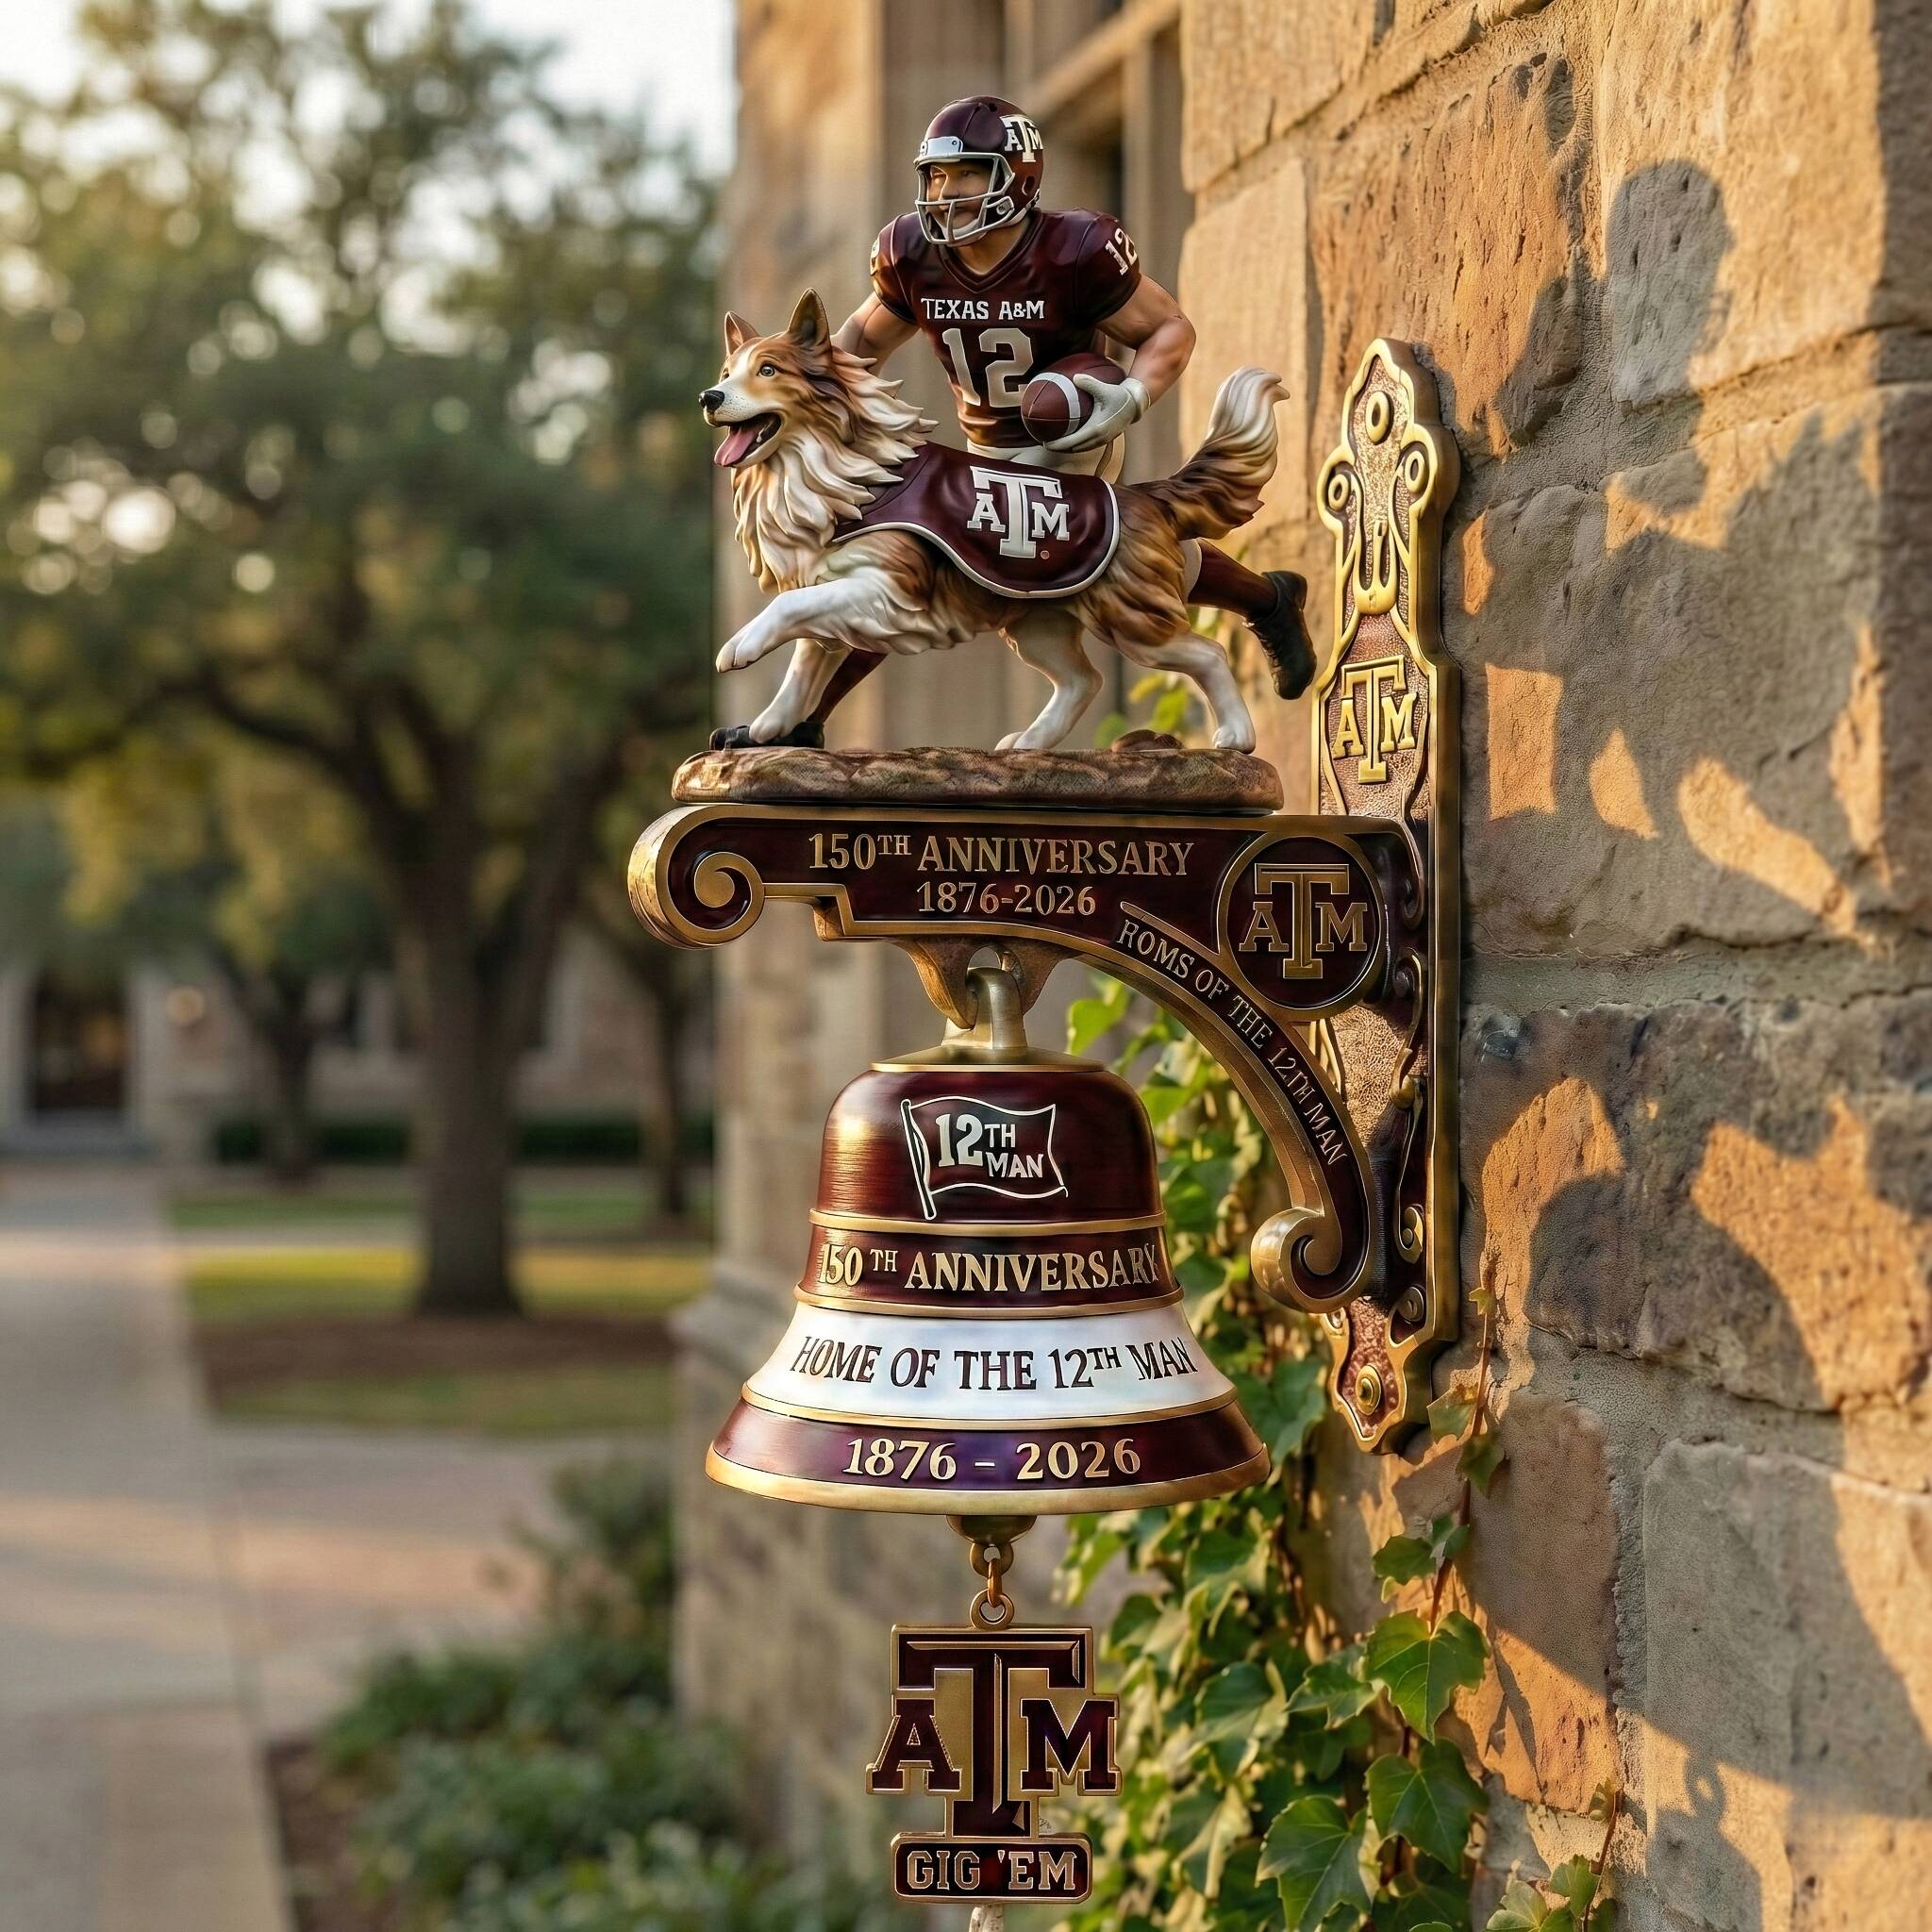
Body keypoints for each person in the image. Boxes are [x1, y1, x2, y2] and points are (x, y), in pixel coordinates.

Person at [718, 95, 1313, 748]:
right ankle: (1267, 600)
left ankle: (804, 722)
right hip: (986, 443)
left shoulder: (1073, 247)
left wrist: (1135, 396)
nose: (945, 192)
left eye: (966, 173)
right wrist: (801, 389)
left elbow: (1168, 326)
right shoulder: (913, 252)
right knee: (1098, 546)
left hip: (1067, 428)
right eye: (937, 177)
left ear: (1015, 176)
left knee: (924, 553)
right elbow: (861, 338)